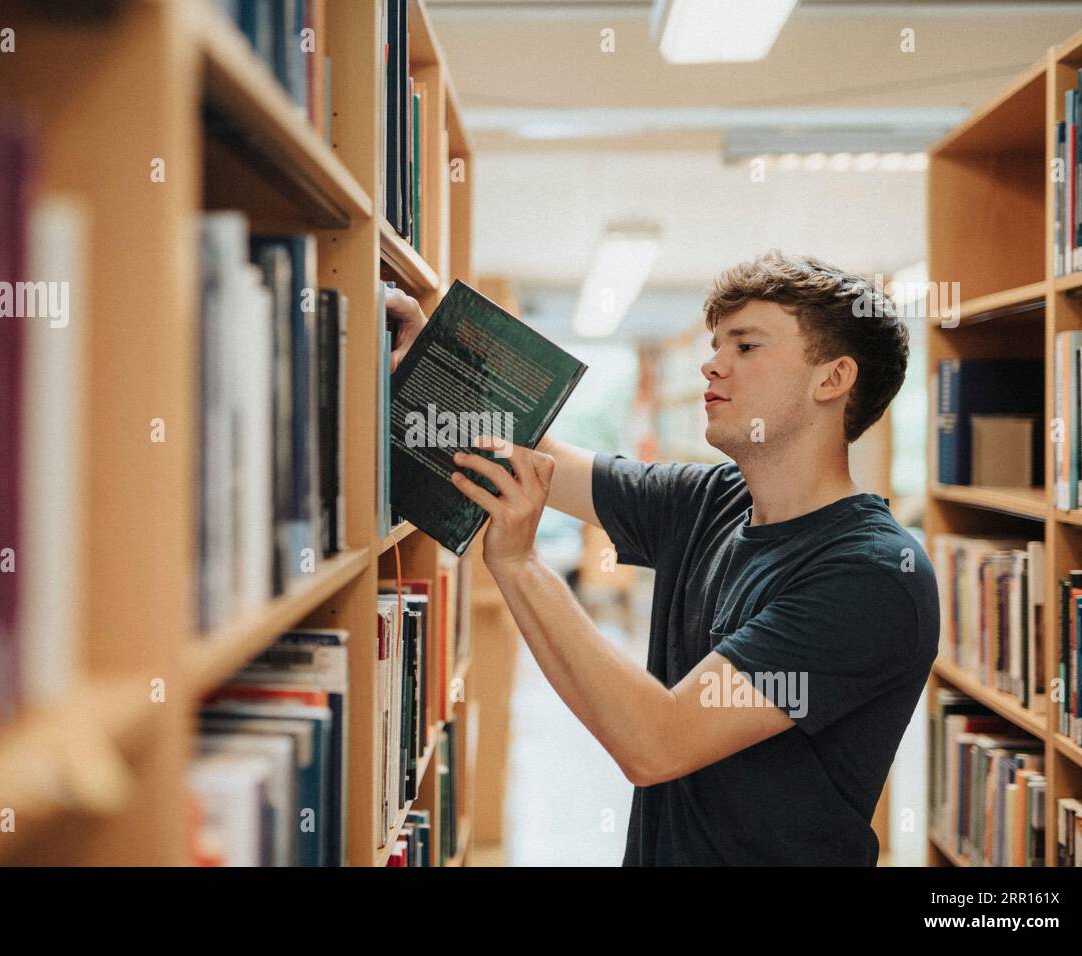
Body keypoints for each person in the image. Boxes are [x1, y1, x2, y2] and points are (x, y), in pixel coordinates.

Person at [384, 250, 938, 866]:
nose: (712, 364)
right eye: (715, 344)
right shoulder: (711, 500)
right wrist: (424, 367)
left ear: (832, 379)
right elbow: (529, 454)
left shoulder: (872, 576)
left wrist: (520, 566)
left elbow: (657, 742)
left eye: (746, 347)